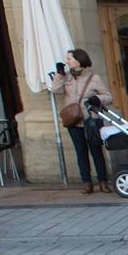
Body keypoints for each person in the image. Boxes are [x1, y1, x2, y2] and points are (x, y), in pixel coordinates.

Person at [49, 48, 113, 195]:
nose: (67, 61)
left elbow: (108, 97)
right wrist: (59, 75)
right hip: (73, 120)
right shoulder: (66, 77)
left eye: (70, 59)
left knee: (96, 151)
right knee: (81, 152)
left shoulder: (94, 78)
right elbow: (55, 90)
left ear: (78, 61)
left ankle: (103, 181)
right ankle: (87, 183)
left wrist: (97, 99)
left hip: (91, 120)